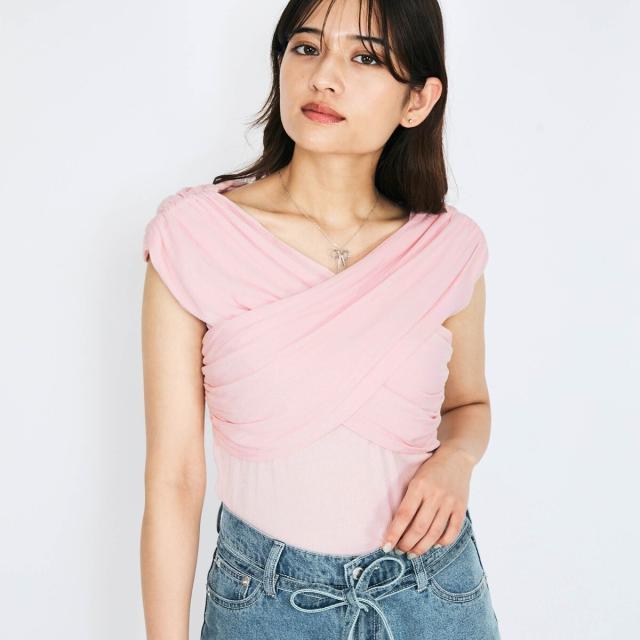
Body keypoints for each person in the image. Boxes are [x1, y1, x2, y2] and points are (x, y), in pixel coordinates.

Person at [140, 0, 500, 638]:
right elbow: (175, 479)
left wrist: (456, 460)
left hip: (432, 591)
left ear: (418, 100)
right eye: (306, 48)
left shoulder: (448, 247)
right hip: (266, 602)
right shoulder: (194, 236)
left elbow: (468, 406)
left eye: (365, 58)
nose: (324, 77)